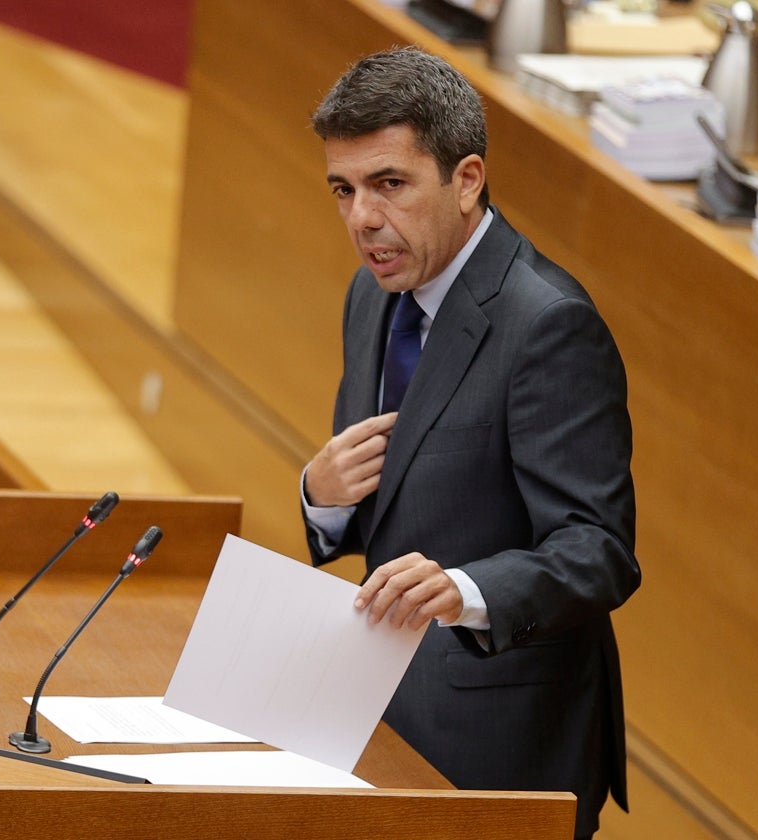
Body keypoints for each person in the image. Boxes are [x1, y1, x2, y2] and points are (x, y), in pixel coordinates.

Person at [300, 47, 641, 839]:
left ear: (467, 178)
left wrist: (465, 589)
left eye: (389, 184)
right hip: (376, 713)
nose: (362, 219)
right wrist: (321, 498)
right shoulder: (373, 291)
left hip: (503, 748)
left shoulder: (548, 325)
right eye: (343, 191)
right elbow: (391, 493)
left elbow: (599, 551)